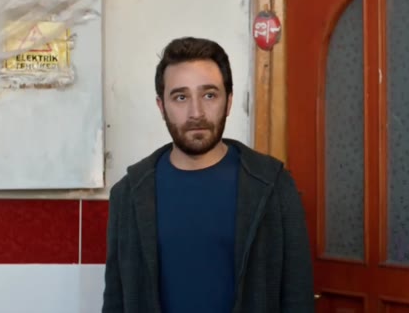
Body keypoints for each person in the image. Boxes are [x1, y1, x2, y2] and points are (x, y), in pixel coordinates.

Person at [101, 37, 314, 313]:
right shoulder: (129, 194)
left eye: (209, 95)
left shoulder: (273, 185)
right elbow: (115, 301)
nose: (196, 112)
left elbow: (298, 298)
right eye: (181, 97)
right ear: (161, 106)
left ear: (229, 102)